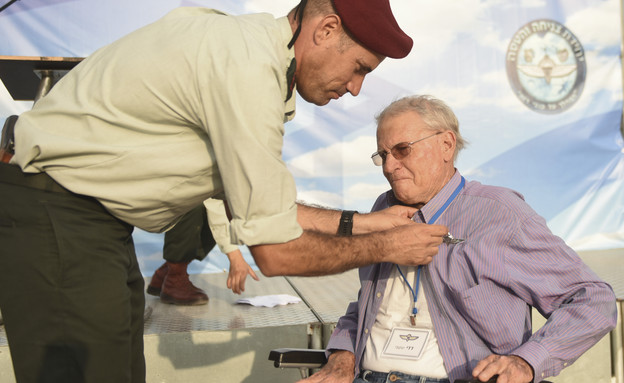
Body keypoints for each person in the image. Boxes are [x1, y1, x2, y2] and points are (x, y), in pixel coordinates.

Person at [0, 1, 450, 382]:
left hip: (87, 222)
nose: (355, 88)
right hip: (56, 212)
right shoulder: (249, 69)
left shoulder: (245, 47)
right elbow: (275, 252)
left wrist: (361, 222)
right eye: (358, 69)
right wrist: (388, 245)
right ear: (326, 28)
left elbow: (258, 206)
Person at [301, 95, 618, 383]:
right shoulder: (383, 209)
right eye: (382, 154)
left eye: (402, 150)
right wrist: (342, 356)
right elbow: (371, 304)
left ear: (446, 145)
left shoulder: (499, 213)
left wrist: (527, 361)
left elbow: (592, 298)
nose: (388, 166)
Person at [146, 199, 259, 305]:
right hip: (145, 197)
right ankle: (174, 279)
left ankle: (168, 271)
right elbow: (213, 203)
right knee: (194, 204)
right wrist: (235, 256)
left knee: (221, 207)